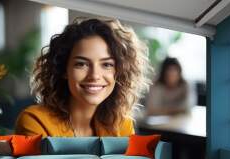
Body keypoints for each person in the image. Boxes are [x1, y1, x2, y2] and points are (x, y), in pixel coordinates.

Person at [14, 18, 150, 137]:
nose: (94, 76)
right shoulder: (35, 121)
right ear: (64, 70)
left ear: (119, 71)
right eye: (81, 64)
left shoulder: (122, 125)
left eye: (107, 64)